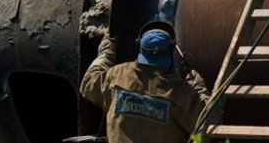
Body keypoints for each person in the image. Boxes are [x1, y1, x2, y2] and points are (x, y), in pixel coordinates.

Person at [80, 21, 210, 143]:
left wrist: (107, 51)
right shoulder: (181, 92)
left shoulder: (117, 76)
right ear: (171, 54)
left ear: (139, 48)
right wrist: (198, 86)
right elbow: (207, 125)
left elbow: (88, 82)